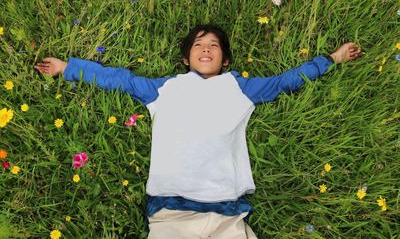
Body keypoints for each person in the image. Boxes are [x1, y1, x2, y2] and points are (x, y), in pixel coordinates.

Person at [35, 24, 361, 239]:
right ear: (186, 58)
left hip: (228, 213)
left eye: (214, 45)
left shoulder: (241, 88)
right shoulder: (164, 88)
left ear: (225, 59)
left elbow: (286, 80)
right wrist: (68, 68)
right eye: (198, 45)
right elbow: (119, 79)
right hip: (171, 211)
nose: (206, 49)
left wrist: (333, 58)